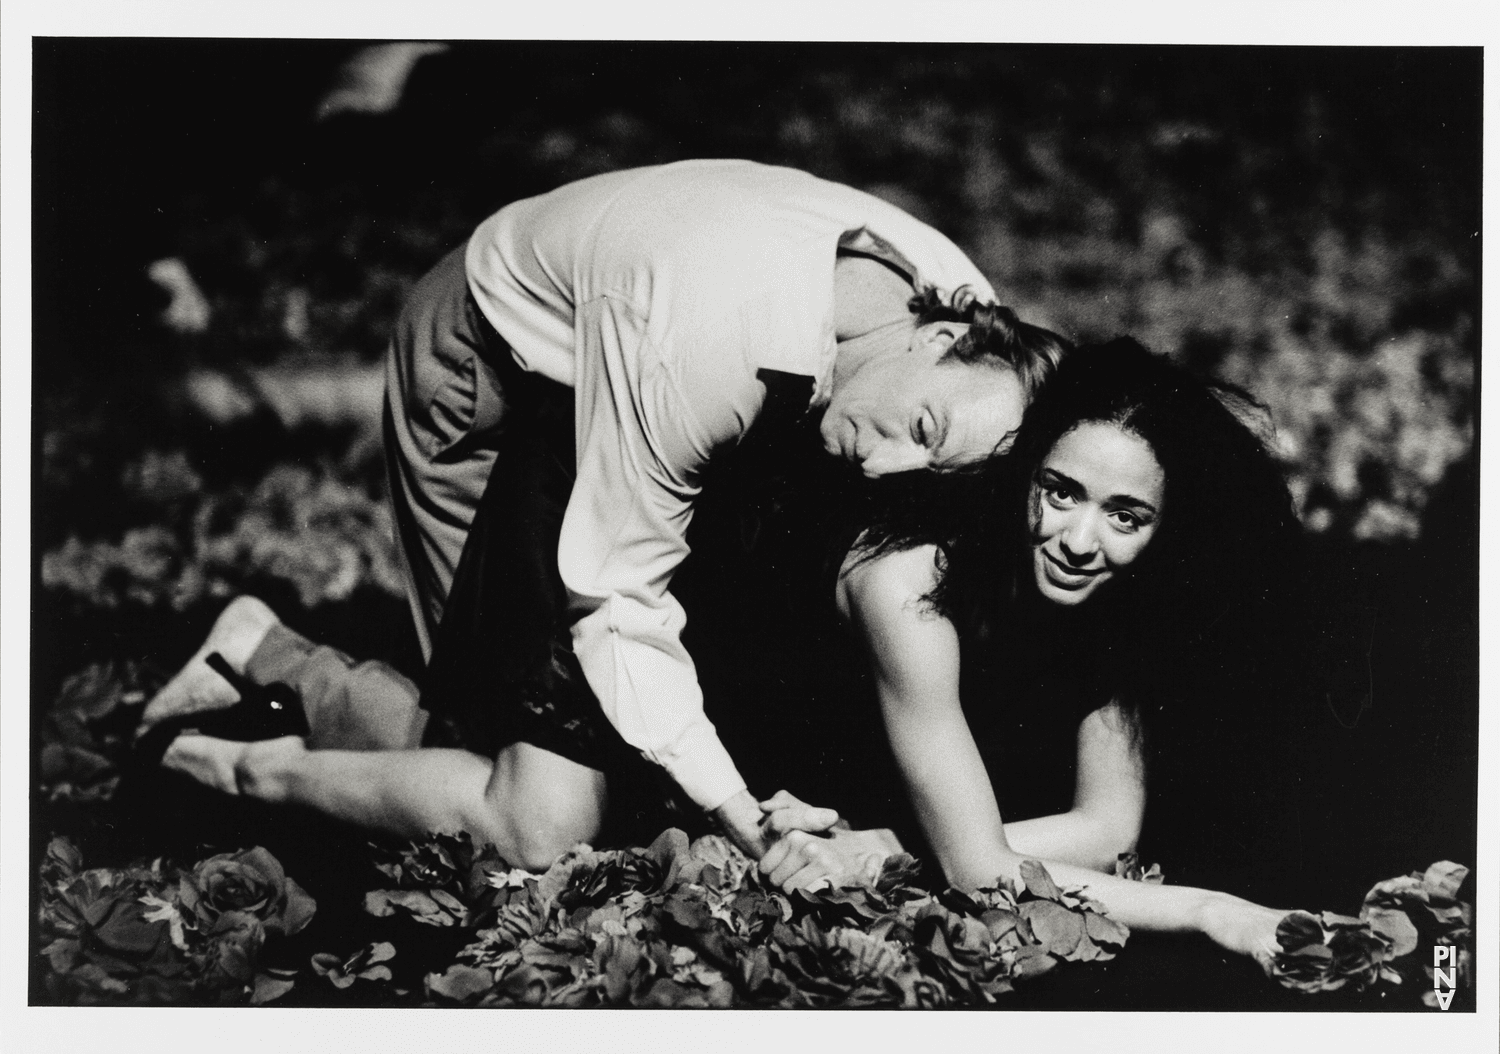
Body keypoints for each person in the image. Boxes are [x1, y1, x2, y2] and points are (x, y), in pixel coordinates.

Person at [139, 159, 1071, 871]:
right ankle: (249, 728)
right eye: (919, 428)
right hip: (496, 363)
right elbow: (617, 601)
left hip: (638, 377)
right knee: (509, 775)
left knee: (603, 764)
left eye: (933, 465)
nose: (887, 467)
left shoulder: (966, 329)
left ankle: (268, 658)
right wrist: (741, 818)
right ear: (936, 338)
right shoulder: (710, 348)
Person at [755, 337, 1311, 967]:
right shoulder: (906, 579)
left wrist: (888, 847)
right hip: (743, 789)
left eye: (1125, 517)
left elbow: (1106, 832)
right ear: (1025, 470)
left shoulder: (1124, 600)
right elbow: (976, 871)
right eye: (1061, 492)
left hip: (864, 823)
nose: (1078, 541)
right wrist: (1213, 912)